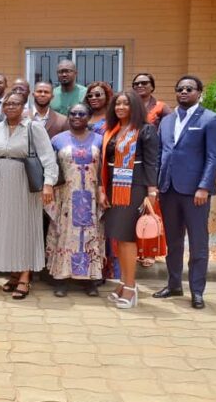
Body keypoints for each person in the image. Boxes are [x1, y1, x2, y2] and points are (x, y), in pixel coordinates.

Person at [152, 76, 216, 310]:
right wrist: (155, 185)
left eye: (189, 89)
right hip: (168, 189)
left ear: (199, 92)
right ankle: (174, 284)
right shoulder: (166, 120)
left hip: (196, 192)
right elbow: (162, 154)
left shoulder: (211, 119)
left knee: (198, 243)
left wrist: (204, 186)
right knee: (173, 242)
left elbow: (214, 157)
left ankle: (197, 291)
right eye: (180, 89)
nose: (184, 92)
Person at [0, 92, 58, 300]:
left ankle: (25, 276)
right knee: (7, 229)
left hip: (26, 183)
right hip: (4, 183)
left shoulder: (34, 128)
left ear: (24, 106)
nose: (11, 107)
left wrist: (49, 184)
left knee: (24, 229)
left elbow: (49, 158)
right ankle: (14, 273)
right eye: (7, 103)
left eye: (16, 103)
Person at [99, 90, 159, 309]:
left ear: (135, 107)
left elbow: (152, 162)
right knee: (118, 237)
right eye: (117, 104)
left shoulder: (146, 130)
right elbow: (105, 162)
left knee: (127, 238)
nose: (121, 107)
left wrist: (151, 192)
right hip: (114, 187)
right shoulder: (113, 130)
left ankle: (131, 288)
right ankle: (124, 282)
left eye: (126, 104)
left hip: (134, 189)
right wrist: (102, 189)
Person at [45, 103, 105, 297]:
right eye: (73, 113)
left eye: (82, 113)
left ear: (89, 117)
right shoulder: (57, 140)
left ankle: (90, 279)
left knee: (89, 236)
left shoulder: (99, 140)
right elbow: (50, 167)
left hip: (91, 196)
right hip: (66, 197)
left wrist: (103, 191)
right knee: (64, 235)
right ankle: (61, 278)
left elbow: (104, 169)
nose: (77, 116)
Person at [132, 72, 172, 268]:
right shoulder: (131, 107)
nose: (140, 86)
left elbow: (171, 132)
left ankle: (150, 252)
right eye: (136, 83)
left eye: (144, 83)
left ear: (152, 86)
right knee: (134, 210)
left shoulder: (161, 107)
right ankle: (134, 250)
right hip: (131, 163)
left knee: (150, 208)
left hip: (151, 162)